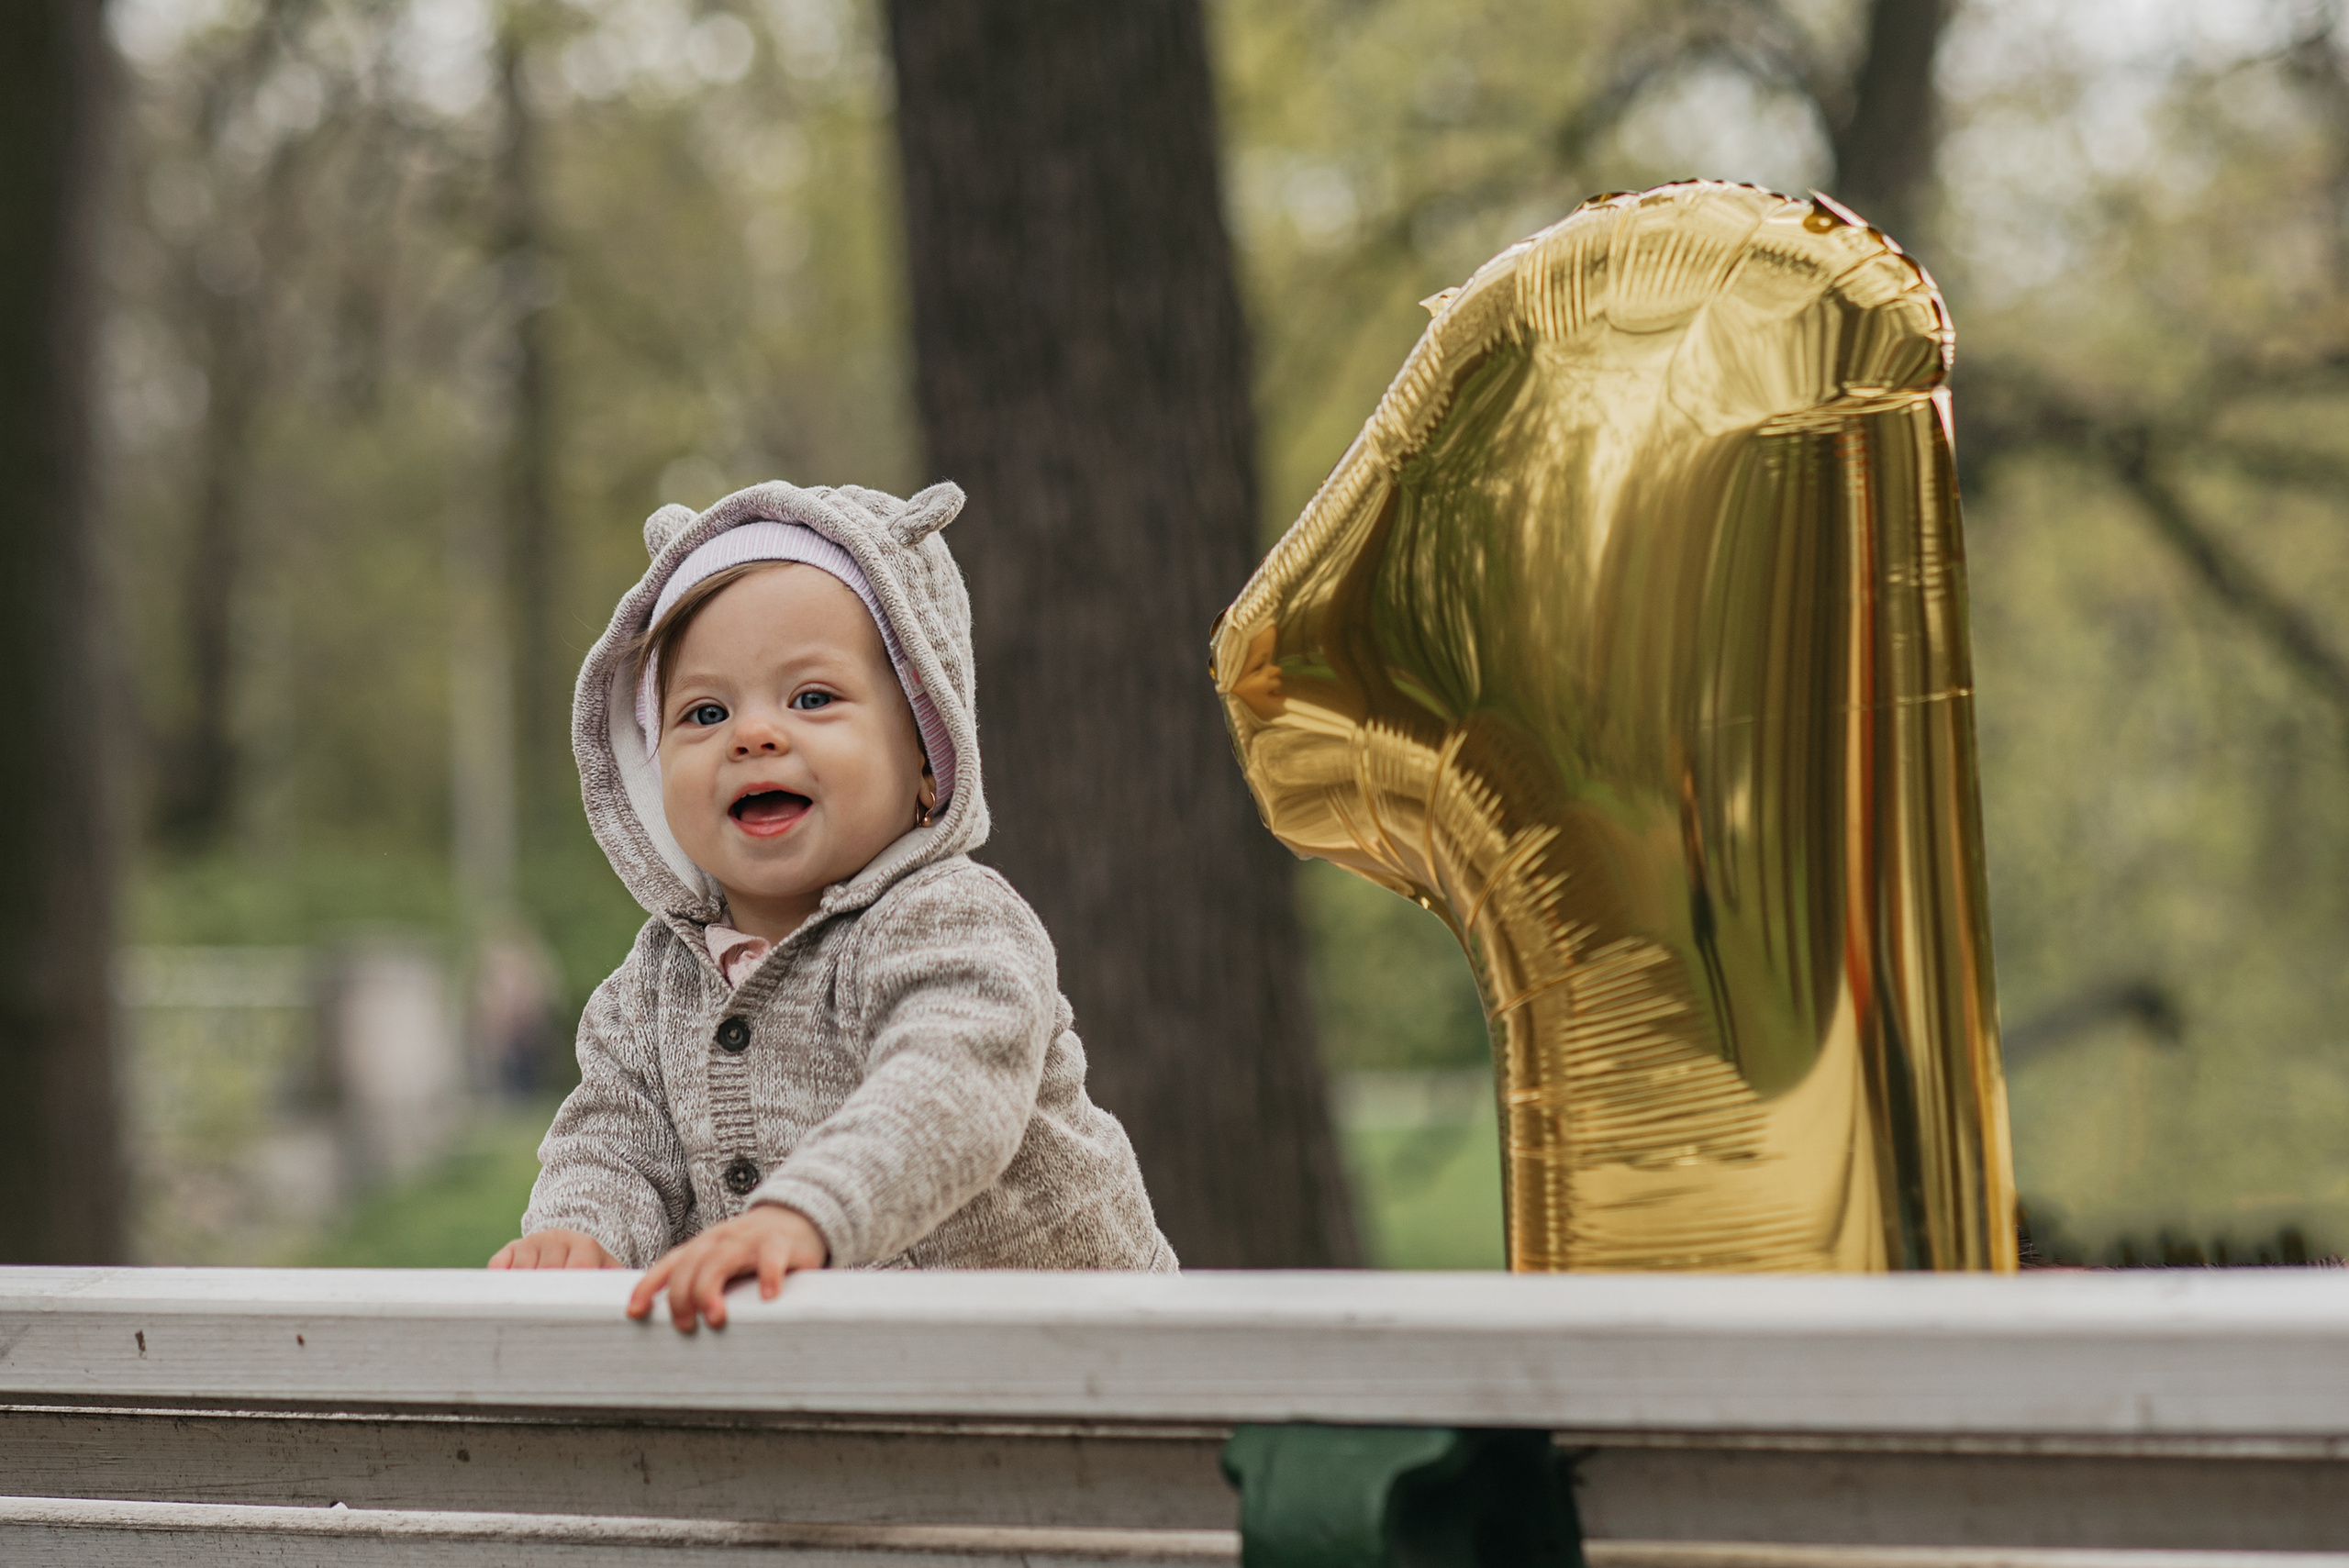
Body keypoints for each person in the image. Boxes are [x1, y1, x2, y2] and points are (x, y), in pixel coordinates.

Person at [489, 480, 1175, 1329]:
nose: (754, 735)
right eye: (705, 711)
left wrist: (804, 1213)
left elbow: (947, 1090)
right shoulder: (656, 981)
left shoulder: (949, 918)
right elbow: (617, 1135)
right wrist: (581, 1231)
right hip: (846, 1378)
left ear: (928, 754)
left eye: (811, 697)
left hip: (1082, 1356)